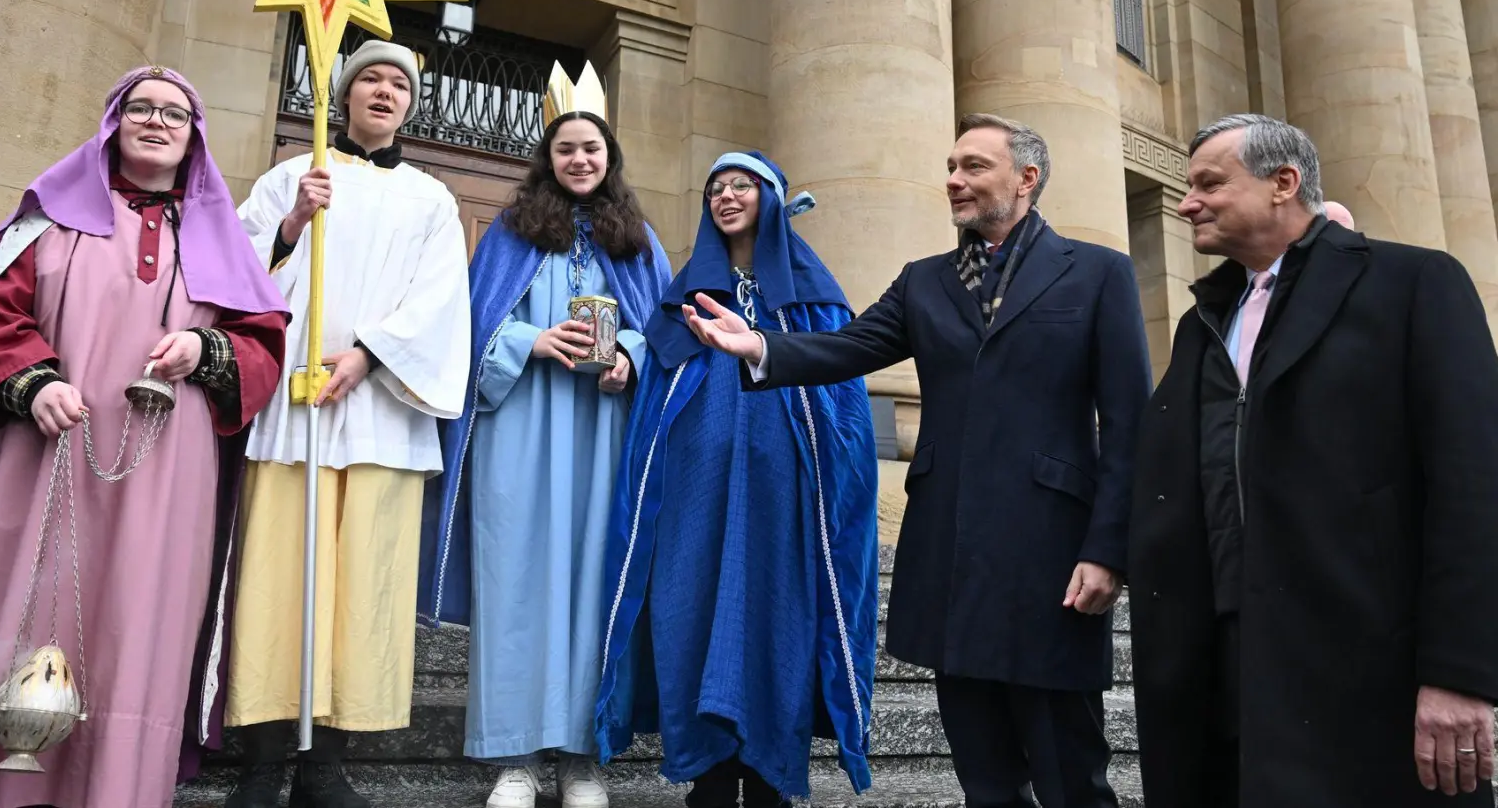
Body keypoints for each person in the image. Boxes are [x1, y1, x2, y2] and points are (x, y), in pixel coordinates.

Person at [683, 114, 1152, 808]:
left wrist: (1109, 549)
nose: (953, 180)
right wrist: (759, 348)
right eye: (950, 166)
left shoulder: (1099, 273)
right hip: (952, 559)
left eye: (972, 167)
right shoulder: (924, 281)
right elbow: (851, 348)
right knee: (984, 775)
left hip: (1051, 561)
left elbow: (1129, 423)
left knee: (1070, 774)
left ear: (1026, 179)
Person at [0, 66, 289, 808]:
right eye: (140, 107)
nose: (157, 120)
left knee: (134, 632)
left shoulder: (221, 240)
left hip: (162, 477)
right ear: (113, 123)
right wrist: (33, 381)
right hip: (31, 457)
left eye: (175, 114)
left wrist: (204, 352)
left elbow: (261, 349)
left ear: (194, 139)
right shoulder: (49, 220)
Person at [1129, 113, 1498, 808]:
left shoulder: (1414, 284)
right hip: (1222, 672)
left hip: (1368, 672)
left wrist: (1460, 671)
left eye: (1209, 182)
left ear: (1283, 183)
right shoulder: (1201, 323)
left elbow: (1473, 483)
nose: (1186, 202)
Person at [224, 40, 472, 808]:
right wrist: (294, 223)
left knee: (362, 587)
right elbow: (232, 273)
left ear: (410, 105)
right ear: (344, 92)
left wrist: (368, 356)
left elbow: (439, 299)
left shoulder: (432, 197)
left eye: (400, 83)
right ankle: (265, 760)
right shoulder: (288, 177)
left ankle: (325, 761)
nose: (386, 91)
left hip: (376, 413)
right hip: (292, 415)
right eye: (371, 78)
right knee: (278, 582)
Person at [594, 151, 880, 807]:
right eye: (715, 189)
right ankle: (712, 772)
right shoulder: (685, 295)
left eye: (740, 186)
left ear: (772, 198)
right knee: (690, 609)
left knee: (774, 613)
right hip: (697, 494)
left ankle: (771, 768)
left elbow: (843, 408)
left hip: (781, 498)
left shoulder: (813, 297)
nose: (725, 197)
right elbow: (655, 395)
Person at [422, 63, 672, 808]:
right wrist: (525, 341)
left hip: (603, 434)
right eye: (566, 149)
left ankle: (584, 760)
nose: (580, 161)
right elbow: (468, 327)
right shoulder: (508, 233)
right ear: (548, 159)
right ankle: (516, 758)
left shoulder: (639, 241)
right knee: (519, 586)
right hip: (522, 431)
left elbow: (663, 330)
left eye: (592, 149)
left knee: (596, 582)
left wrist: (627, 355)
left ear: (610, 158)